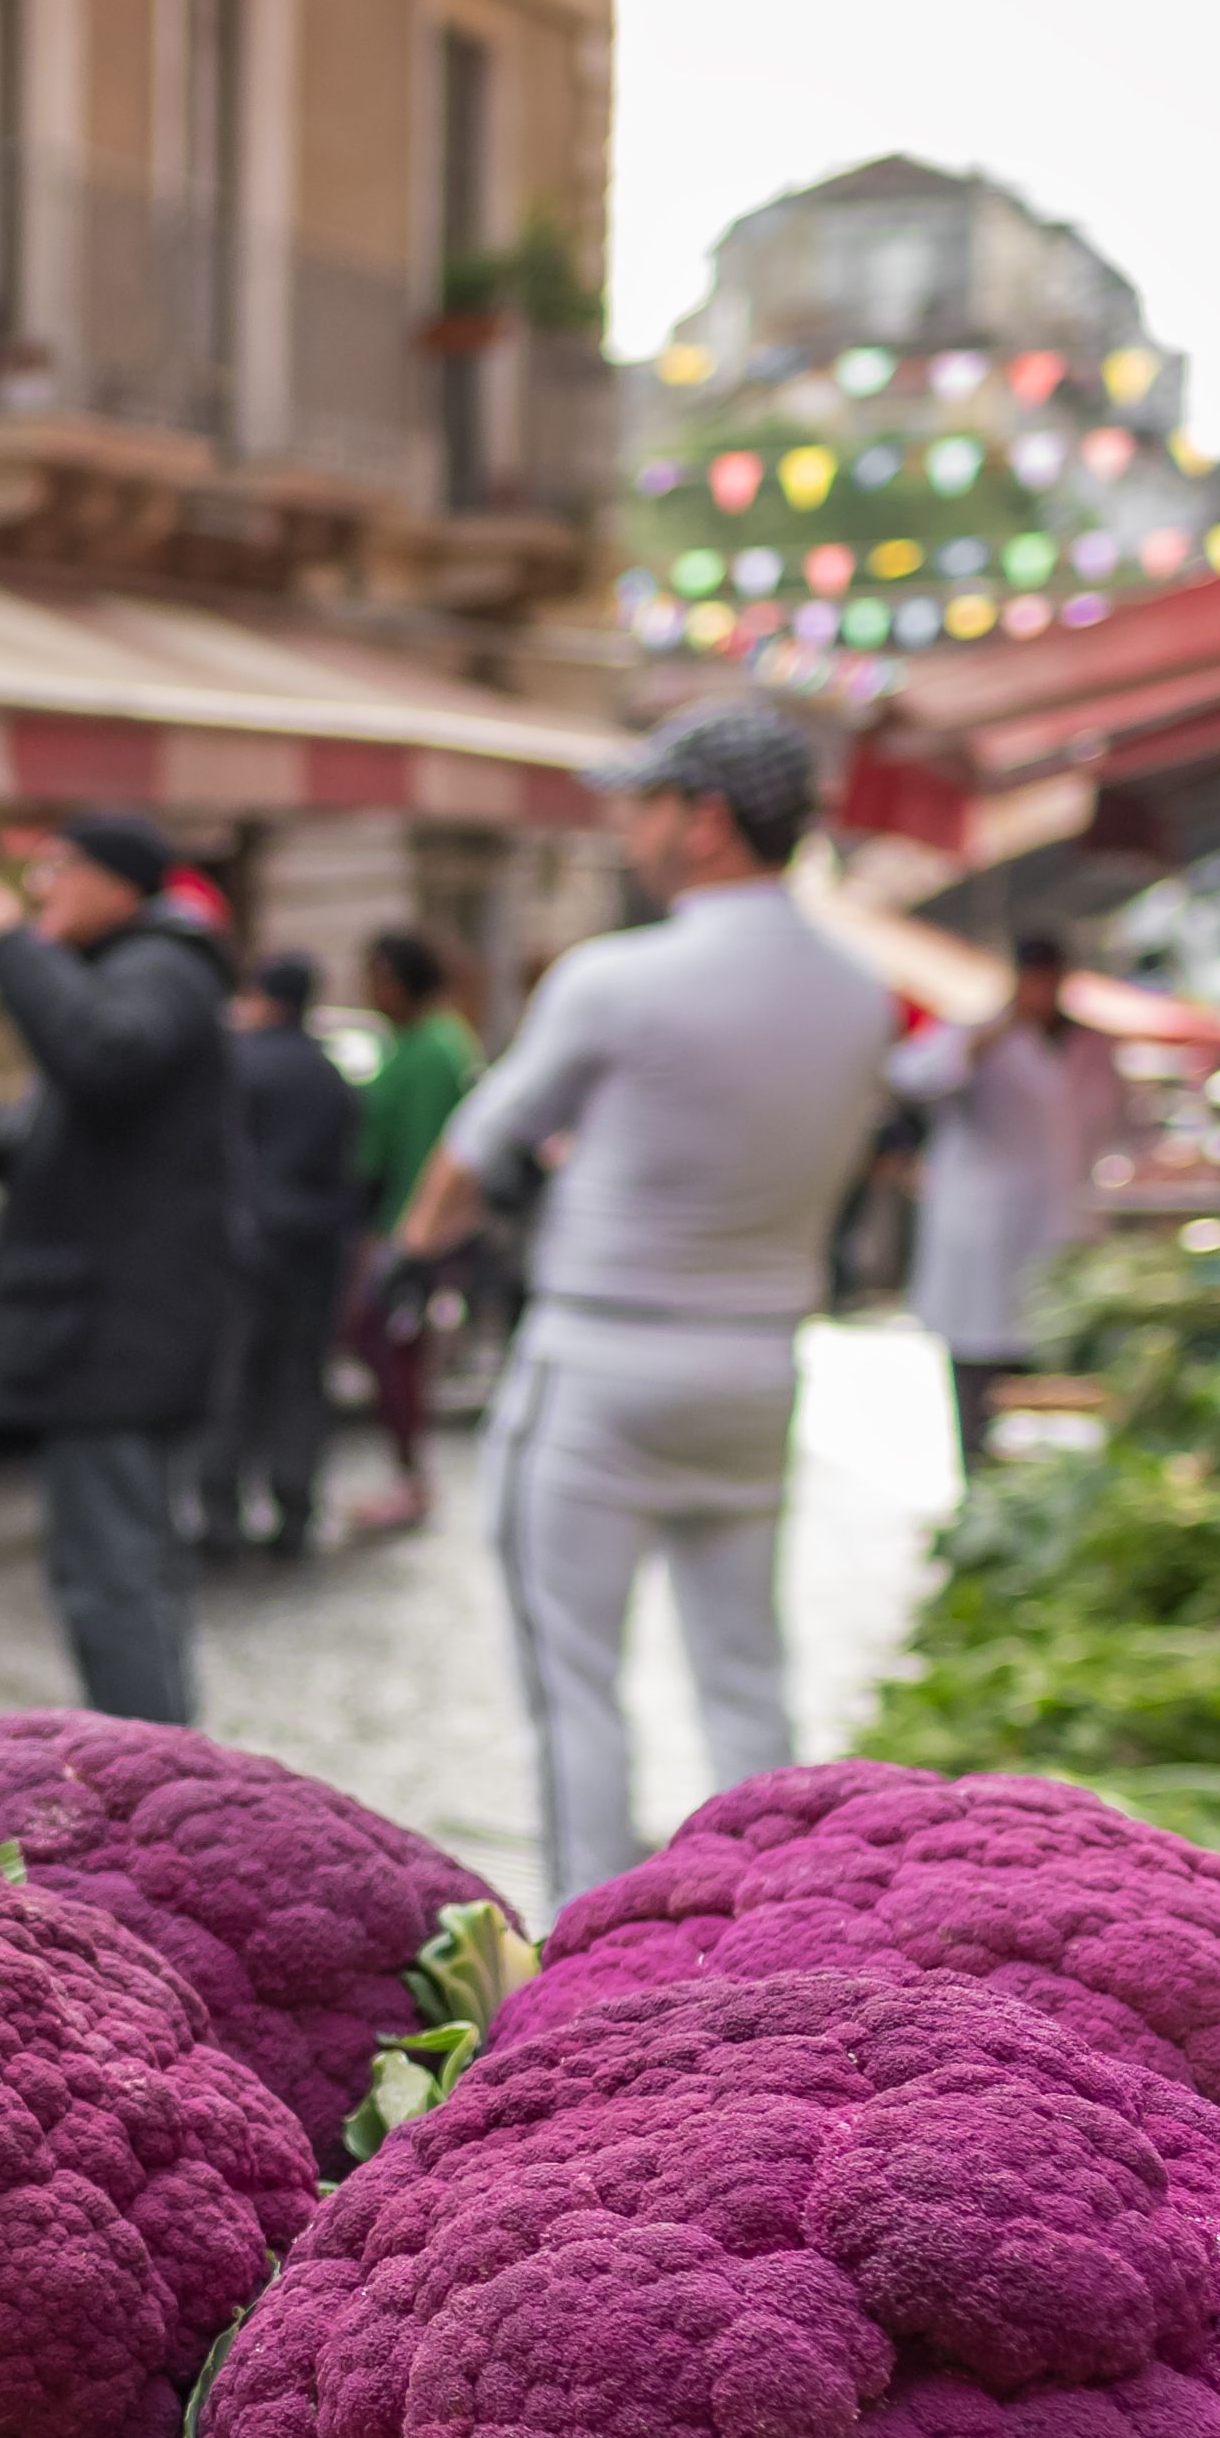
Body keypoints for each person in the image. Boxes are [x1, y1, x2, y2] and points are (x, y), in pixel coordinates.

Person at [393, 697, 905, 1908]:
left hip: (602, 1358)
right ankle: (795, 1923)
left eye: (645, 802)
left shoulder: (616, 978)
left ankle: (587, 1941)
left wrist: (412, 1253)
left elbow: (477, 1149)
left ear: (708, 820)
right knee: (747, 1672)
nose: (626, 826)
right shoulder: (861, 994)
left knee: (578, 1684)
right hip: (758, 1363)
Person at [0, 810, 242, 1726]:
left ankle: (150, 1787)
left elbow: (100, 1056)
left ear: (119, 884)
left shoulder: (159, 968)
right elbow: (48, 1132)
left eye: (56, 869)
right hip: (112, 1333)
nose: (38, 890)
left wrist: (7, 949)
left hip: (119, 1338)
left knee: (114, 1578)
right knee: (120, 1570)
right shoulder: (141, 971)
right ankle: (160, 1771)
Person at [890, 928, 1125, 1467]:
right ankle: (978, 1469)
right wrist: (984, 1039)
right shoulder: (972, 1035)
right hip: (985, 1228)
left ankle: (1038, 1476)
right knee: (980, 1356)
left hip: (1062, 1221)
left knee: (1053, 1356)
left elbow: (1119, 1125)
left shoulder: (1091, 1045)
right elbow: (915, 1078)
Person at [199, 948, 367, 1560]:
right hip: (317, 1244)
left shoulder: (235, 1063)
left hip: (244, 1243)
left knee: (232, 1375)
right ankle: (294, 1506)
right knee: (300, 1374)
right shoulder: (331, 1073)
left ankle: (221, 1510)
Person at [342, 929, 481, 1531]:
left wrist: (401, 1237)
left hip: (410, 1232)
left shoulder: (429, 1049)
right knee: (388, 1348)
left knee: (388, 1345)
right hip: (411, 1228)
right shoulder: (428, 1041)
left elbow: (418, 1152)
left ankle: (411, 1479)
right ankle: (408, 1475)